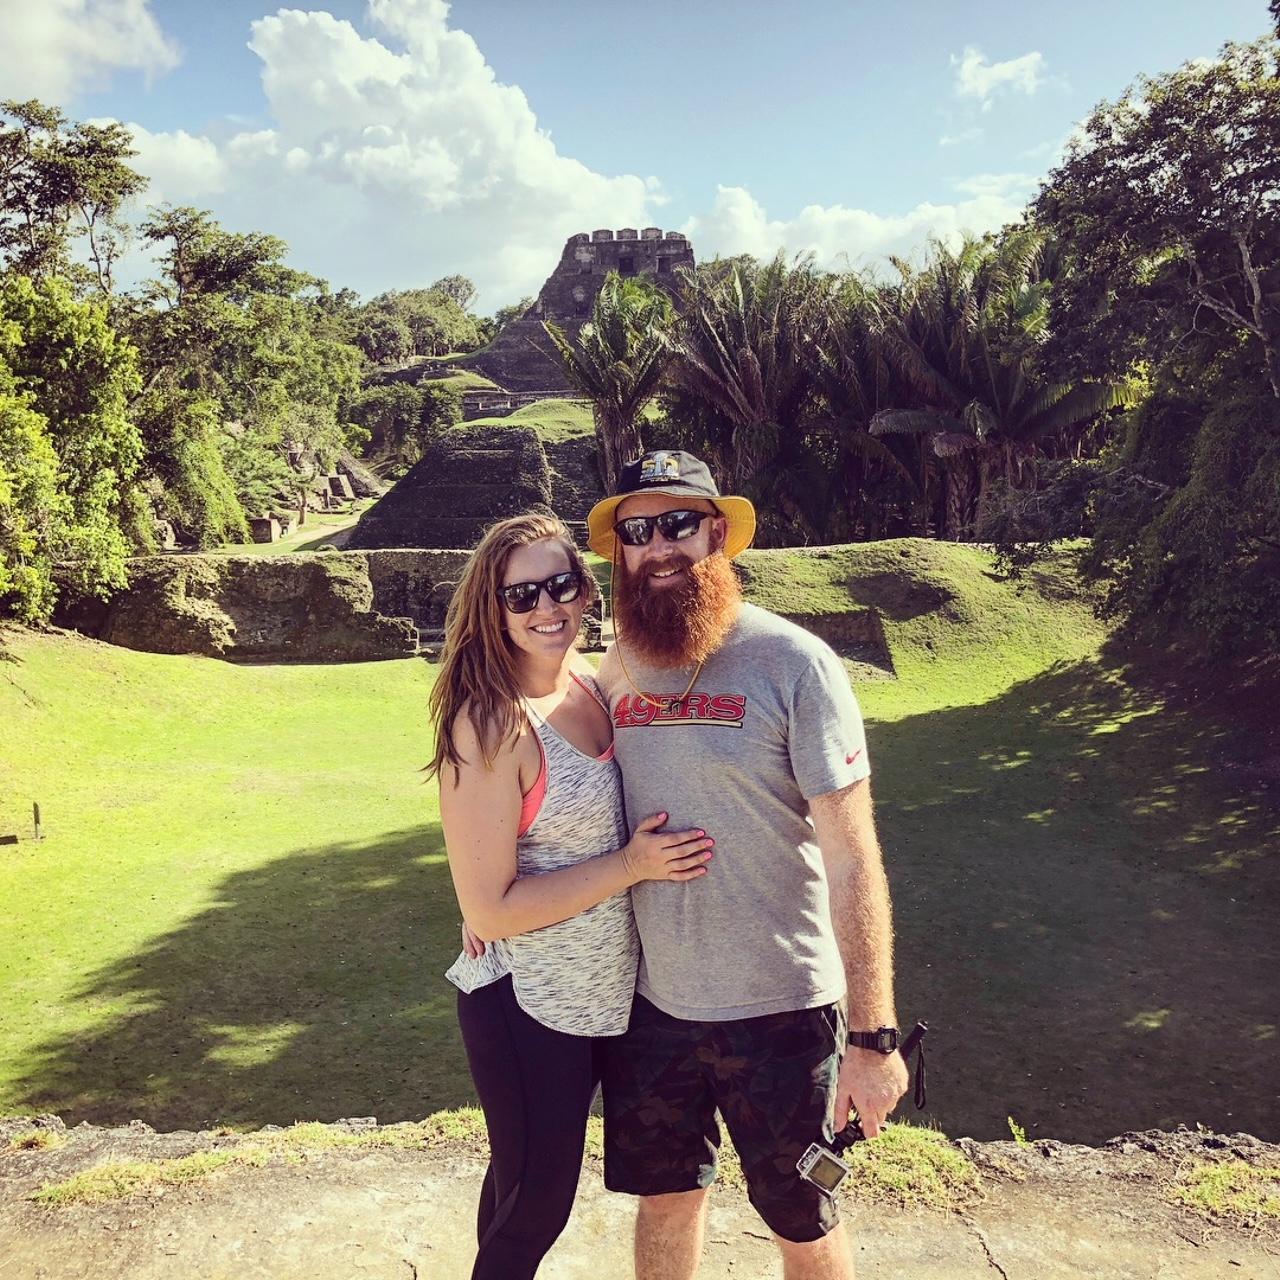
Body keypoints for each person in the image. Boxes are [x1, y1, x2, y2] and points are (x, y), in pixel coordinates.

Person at [589, 451, 909, 1280]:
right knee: (665, 1201)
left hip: (782, 1012)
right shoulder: (615, 666)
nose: (659, 546)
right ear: (619, 550)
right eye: (637, 531)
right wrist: (493, 912)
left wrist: (873, 1041)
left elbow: (852, 856)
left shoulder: (794, 663)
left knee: (801, 1217)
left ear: (719, 534)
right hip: (654, 1005)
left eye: (678, 525)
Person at [426, 511, 714, 1280]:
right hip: (528, 1003)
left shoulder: (593, 678)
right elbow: (490, 909)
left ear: (587, 589)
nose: (548, 607)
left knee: (519, 1185)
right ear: (493, 607)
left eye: (563, 584)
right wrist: (631, 865)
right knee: (538, 1204)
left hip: (599, 998)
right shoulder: (488, 724)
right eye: (523, 596)